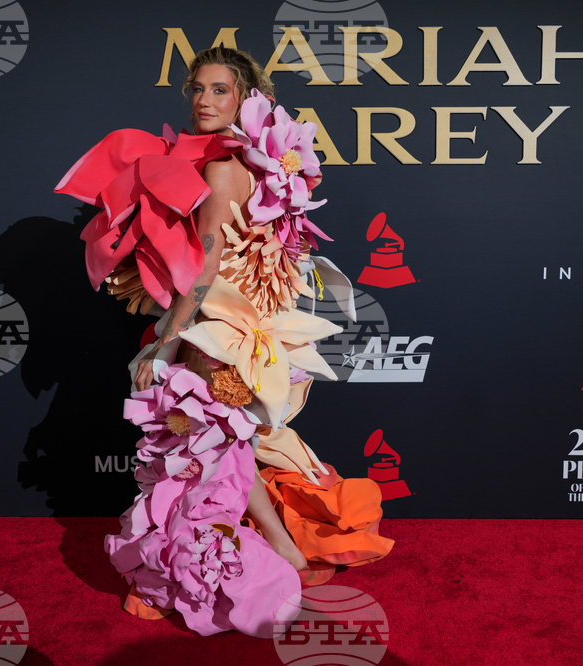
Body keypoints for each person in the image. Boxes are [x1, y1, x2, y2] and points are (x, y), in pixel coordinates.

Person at [55, 46, 393, 638]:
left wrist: (166, 344)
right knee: (226, 448)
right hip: (247, 326)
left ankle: (221, 570)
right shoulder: (260, 162)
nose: (205, 100)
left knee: (202, 453)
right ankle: (288, 549)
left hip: (216, 329)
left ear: (244, 98)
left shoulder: (219, 168)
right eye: (197, 89)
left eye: (220, 90)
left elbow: (206, 262)